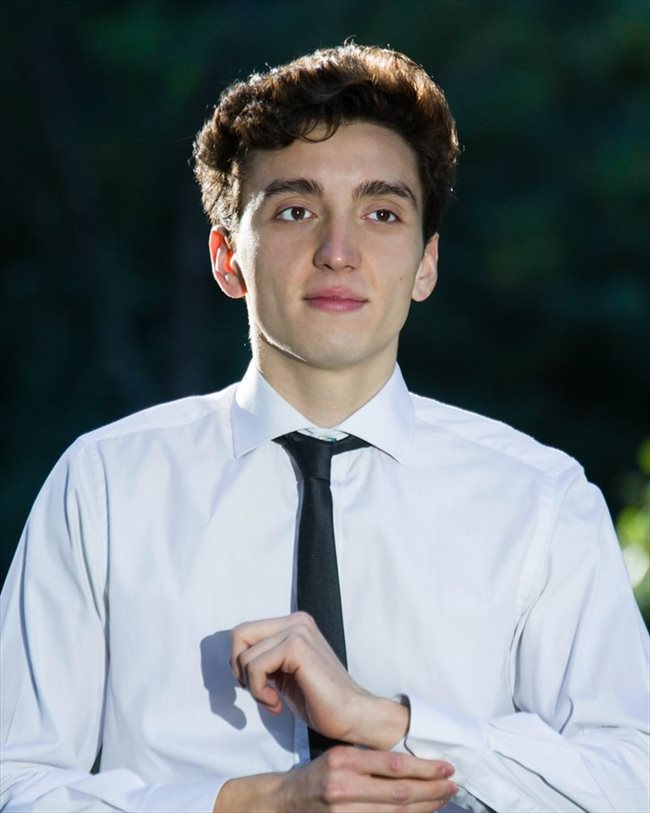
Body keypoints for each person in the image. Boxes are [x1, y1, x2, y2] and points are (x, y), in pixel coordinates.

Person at [1, 43, 648, 813]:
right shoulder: (104, 485)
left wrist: (392, 723)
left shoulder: (540, 499)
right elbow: (15, 782)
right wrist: (254, 802)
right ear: (227, 258)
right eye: (295, 211)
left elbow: (631, 782)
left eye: (382, 213)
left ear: (426, 263)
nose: (338, 252)